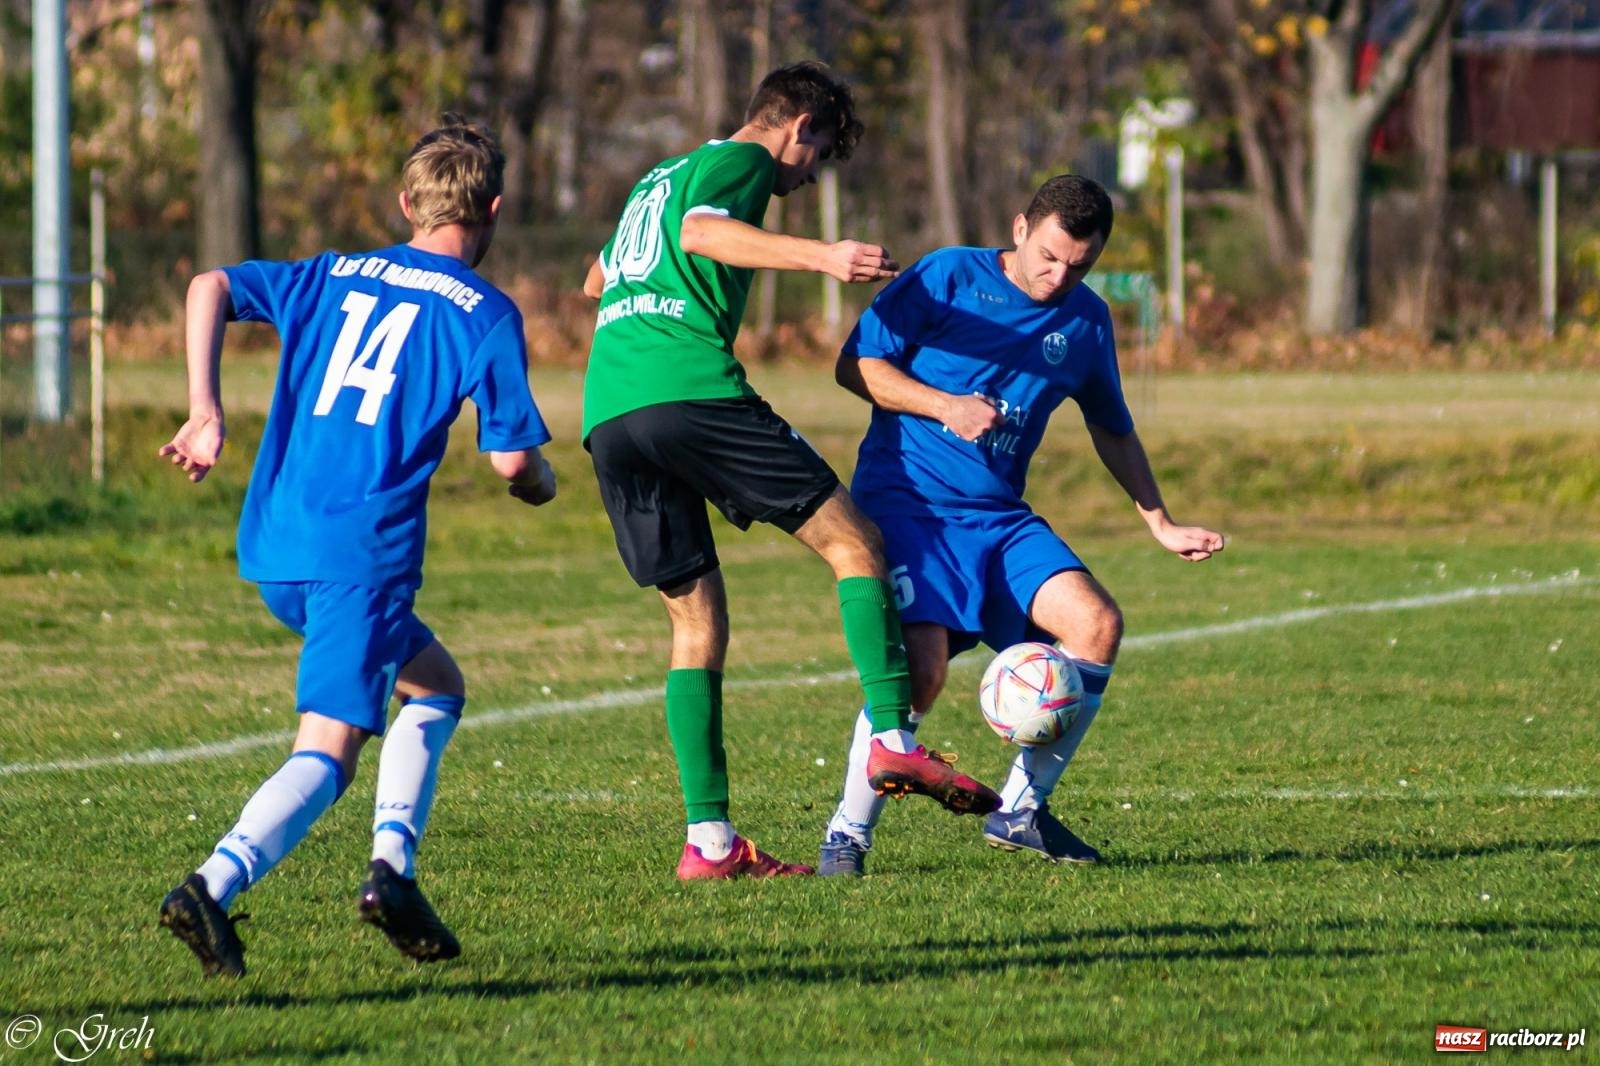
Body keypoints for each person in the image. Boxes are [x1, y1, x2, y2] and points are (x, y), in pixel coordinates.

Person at [156, 114, 557, 977]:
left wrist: (206, 408)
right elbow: (512, 459)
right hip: (358, 555)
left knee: (437, 687)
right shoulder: (485, 313)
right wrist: (539, 485)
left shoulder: (332, 271)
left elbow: (207, 284)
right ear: (491, 208)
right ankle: (210, 887)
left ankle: (395, 874)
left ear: (407, 202)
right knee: (328, 751)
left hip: (276, 544)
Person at [581, 60, 1000, 881]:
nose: (808, 175)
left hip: (609, 412)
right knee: (856, 543)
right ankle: (892, 738)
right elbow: (702, 233)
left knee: (694, 624)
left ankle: (709, 843)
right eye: (819, 154)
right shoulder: (737, 160)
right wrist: (823, 256)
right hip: (689, 390)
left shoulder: (652, 182)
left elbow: (597, 278)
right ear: (798, 127)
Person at [817, 175, 1224, 876]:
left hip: (1000, 519)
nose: (1058, 275)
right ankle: (847, 836)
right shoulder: (946, 276)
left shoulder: (1086, 321)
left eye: (1079, 265)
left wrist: (1159, 521)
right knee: (922, 672)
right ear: (1018, 230)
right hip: (911, 505)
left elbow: (1113, 430)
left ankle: (1021, 813)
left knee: (1097, 624)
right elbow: (855, 366)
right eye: (1049, 255)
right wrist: (946, 406)